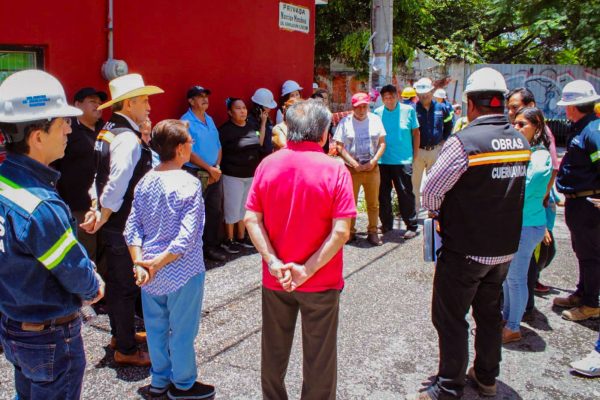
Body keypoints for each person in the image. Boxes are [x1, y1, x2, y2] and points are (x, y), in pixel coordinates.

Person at [410, 68, 531, 400]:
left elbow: (431, 191)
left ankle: (449, 386)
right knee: (489, 314)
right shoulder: (520, 141)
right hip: (504, 248)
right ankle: (487, 377)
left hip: (465, 249)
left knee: (450, 318)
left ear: (471, 104)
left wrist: (437, 213)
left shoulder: (465, 142)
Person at [0, 69, 104, 399]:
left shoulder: (5, 182)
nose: (69, 130)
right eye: (63, 123)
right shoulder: (40, 205)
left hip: (14, 325)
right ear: (37, 137)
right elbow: (75, 274)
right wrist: (94, 285)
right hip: (49, 338)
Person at [244, 99, 356, 400]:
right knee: (320, 359)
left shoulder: (268, 164)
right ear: (324, 133)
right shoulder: (335, 169)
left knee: (273, 352)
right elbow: (341, 231)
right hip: (321, 280)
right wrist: (307, 269)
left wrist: (272, 261)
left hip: (276, 277)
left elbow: (251, 219)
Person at [124, 119, 215, 400]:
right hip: (182, 269)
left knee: (155, 328)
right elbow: (187, 238)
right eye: (189, 141)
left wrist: (140, 262)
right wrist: (155, 263)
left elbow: (132, 227)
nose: (192, 145)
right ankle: (183, 383)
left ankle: (159, 379)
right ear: (179, 148)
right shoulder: (189, 183)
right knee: (183, 331)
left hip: (150, 271)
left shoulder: (145, 181)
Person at [85, 73, 164, 366]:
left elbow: (98, 175)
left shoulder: (107, 130)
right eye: (144, 101)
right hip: (123, 224)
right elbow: (116, 182)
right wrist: (104, 213)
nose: (149, 107)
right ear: (128, 103)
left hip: (115, 222)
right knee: (125, 287)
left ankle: (122, 335)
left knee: (119, 284)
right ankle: (126, 349)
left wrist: (97, 207)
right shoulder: (127, 138)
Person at [502, 107, 552, 344]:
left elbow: (530, 182)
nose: (516, 127)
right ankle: (507, 319)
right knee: (508, 277)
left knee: (515, 278)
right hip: (516, 224)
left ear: (537, 127)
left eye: (523, 124)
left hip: (527, 225)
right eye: (515, 123)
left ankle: (513, 327)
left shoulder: (539, 155)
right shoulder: (524, 151)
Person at [553, 79, 600, 321]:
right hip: (578, 202)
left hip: (588, 205)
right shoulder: (583, 127)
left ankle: (591, 304)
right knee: (582, 251)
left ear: (573, 107)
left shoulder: (592, 131)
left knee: (590, 255)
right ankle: (583, 293)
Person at [51, 87, 106, 262]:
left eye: (100, 103)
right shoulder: (67, 130)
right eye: (92, 102)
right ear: (77, 105)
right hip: (78, 205)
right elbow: (53, 164)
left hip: (105, 206)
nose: (97, 106)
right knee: (85, 254)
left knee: (106, 253)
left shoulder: (106, 130)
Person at [180, 85, 226, 262]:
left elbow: (218, 145)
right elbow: (188, 151)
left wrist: (216, 167)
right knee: (195, 211)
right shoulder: (185, 121)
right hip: (196, 172)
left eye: (206, 96)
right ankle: (193, 252)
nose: (205, 99)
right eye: (200, 96)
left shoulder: (210, 119)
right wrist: (209, 169)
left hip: (214, 171)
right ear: (191, 101)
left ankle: (211, 247)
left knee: (214, 210)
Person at [334, 92, 387, 246]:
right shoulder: (345, 122)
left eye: (364, 106)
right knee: (351, 203)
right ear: (353, 107)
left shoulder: (375, 120)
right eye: (358, 107)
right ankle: (349, 232)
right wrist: (353, 163)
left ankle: (373, 231)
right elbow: (339, 147)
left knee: (373, 203)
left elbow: (382, 143)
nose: (362, 110)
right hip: (352, 169)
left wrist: (374, 161)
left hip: (372, 168)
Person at [374, 84, 420, 239]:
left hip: (403, 160)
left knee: (405, 193)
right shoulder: (377, 113)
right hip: (383, 160)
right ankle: (386, 224)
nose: (389, 100)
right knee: (383, 194)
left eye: (392, 97)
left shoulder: (408, 110)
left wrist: (415, 154)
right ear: (382, 99)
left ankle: (411, 225)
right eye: (386, 98)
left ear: (397, 96)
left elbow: (416, 133)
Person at [218, 97, 262, 253]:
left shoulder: (251, 126)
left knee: (244, 207)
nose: (242, 111)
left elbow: (259, 143)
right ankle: (229, 239)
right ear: (230, 112)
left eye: (244, 108)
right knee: (232, 208)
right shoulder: (225, 130)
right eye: (238, 108)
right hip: (232, 175)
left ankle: (241, 237)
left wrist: (263, 124)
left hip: (250, 175)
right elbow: (219, 150)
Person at [412, 78, 453, 211]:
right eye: (421, 94)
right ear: (417, 94)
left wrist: (443, 141)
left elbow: (449, 124)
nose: (424, 96)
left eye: (427, 93)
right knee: (414, 184)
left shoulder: (441, 108)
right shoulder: (413, 109)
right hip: (417, 152)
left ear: (432, 91)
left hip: (435, 151)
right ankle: (414, 212)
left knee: (435, 184)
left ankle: (433, 211)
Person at [248, 88, 277, 157]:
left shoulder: (266, 117)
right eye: (267, 107)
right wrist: (263, 123)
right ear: (258, 108)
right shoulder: (251, 121)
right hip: (260, 157)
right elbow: (259, 142)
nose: (269, 109)